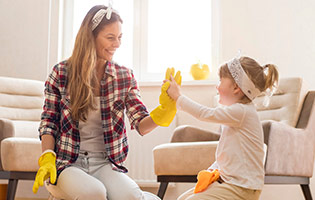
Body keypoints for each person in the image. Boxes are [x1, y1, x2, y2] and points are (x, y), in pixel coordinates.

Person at [32, 4, 181, 200]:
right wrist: (48, 157)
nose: (117, 44)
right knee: (95, 193)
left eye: (120, 37)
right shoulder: (61, 73)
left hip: (105, 163)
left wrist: (165, 109)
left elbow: (141, 124)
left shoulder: (124, 76)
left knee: (130, 197)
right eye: (110, 38)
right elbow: (49, 122)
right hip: (67, 163)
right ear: (90, 36)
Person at [166, 56, 279, 200]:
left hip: (242, 188)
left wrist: (178, 97)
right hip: (230, 183)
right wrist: (213, 169)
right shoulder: (236, 114)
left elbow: (204, 113)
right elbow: (227, 152)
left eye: (220, 80)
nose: (217, 86)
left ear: (236, 87)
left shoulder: (242, 111)